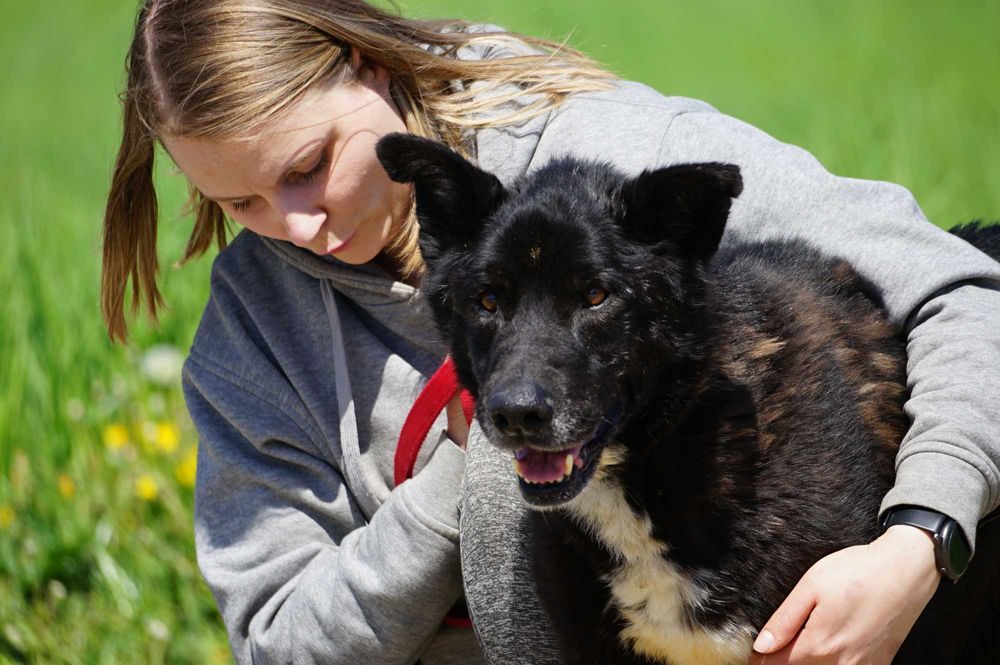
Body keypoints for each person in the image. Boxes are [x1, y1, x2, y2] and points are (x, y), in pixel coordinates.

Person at [101, 1, 1000, 664]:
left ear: (365, 66)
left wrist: (919, 540)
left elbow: (960, 286)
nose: (298, 228)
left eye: (309, 165)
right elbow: (278, 645)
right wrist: (453, 478)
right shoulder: (252, 329)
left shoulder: (621, 156)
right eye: (240, 202)